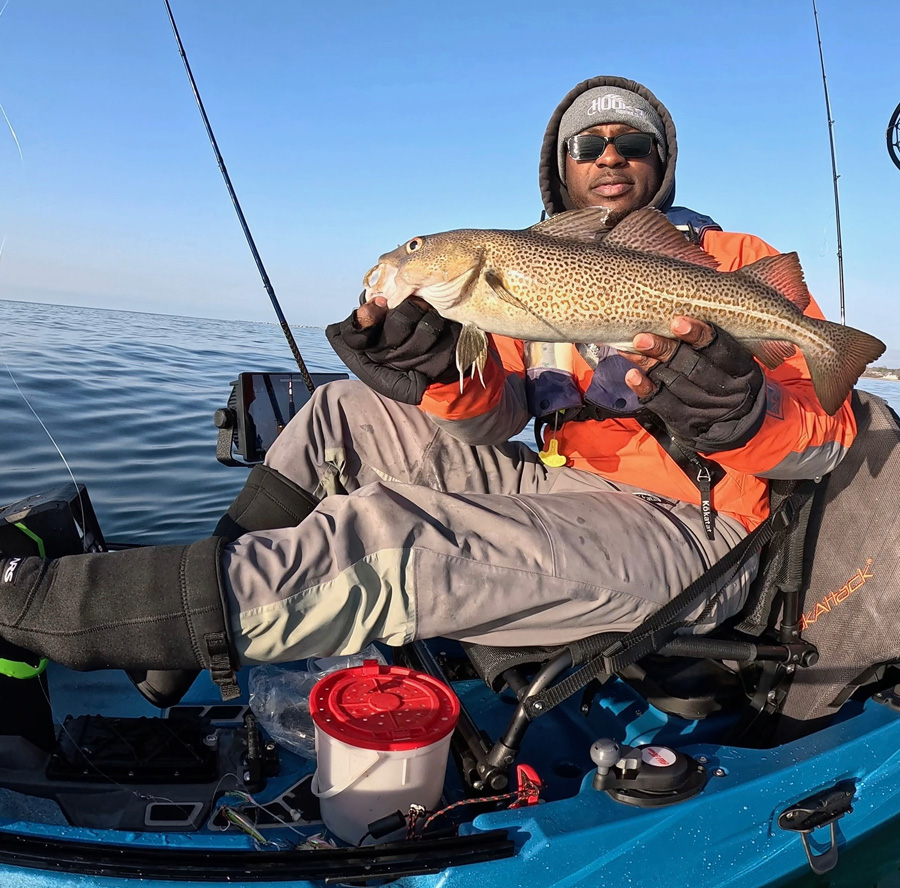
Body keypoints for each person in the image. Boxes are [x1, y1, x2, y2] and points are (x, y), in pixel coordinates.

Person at [0, 76, 857, 705]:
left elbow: (828, 435)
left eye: (631, 145)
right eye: (586, 145)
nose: (608, 158)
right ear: (558, 168)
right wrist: (442, 375)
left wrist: (744, 413)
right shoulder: (527, 261)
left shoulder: (736, 261)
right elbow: (495, 418)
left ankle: (53, 608)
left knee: (389, 535)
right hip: (576, 488)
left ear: (660, 165)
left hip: (698, 528)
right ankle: (173, 647)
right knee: (341, 409)